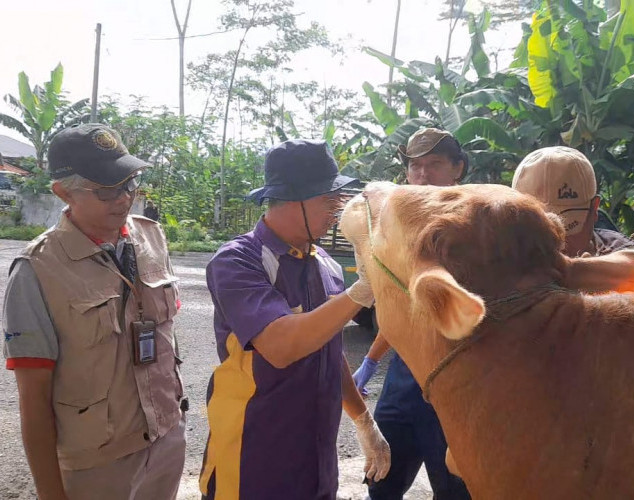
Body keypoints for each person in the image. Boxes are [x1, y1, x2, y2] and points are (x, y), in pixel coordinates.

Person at [2, 124, 186, 500]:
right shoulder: (37, 270)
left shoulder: (151, 237)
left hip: (166, 441)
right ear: (63, 192)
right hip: (97, 466)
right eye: (107, 190)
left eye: (130, 183)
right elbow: (34, 399)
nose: (125, 199)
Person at [199, 139, 391, 500]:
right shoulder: (238, 262)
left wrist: (364, 421)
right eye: (328, 199)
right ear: (291, 200)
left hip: (315, 456)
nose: (338, 210)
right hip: (252, 454)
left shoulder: (327, 266)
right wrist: (363, 290)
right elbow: (282, 346)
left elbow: (330, 353)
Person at [353, 128, 472, 500]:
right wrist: (370, 362)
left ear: (458, 169)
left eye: (434, 165)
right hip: (403, 381)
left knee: (454, 490)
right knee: (381, 482)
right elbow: (400, 309)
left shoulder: (477, 225)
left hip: (458, 380)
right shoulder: (397, 227)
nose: (422, 176)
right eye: (415, 167)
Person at [512, 146, 634, 258]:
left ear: (594, 209)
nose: (556, 243)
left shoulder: (627, 260)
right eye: (540, 230)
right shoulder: (502, 264)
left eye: (567, 227)